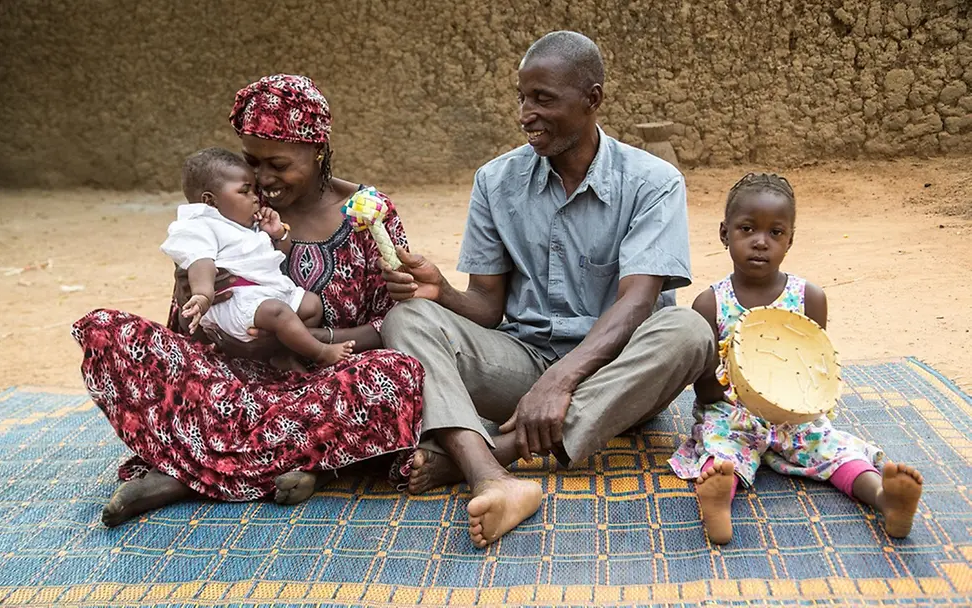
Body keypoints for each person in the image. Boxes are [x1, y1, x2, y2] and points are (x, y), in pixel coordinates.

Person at [377, 31, 716, 548]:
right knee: (405, 319)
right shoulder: (496, 181)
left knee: (689, 328)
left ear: (593, 100)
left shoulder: (653, 182)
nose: (524, 114)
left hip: (623, 376)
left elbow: (638, 301)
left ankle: (498, 450)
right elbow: (488, 307)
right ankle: (489, 478)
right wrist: (442, 292)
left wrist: (559, 382)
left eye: (543, 99)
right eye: (521, 97)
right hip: (525, 363)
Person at [72, 74, 424, 527]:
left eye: (277, 164)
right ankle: (301, 463)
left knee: (398, 375)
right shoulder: (226, 211)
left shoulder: (367, 212)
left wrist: (296, 341)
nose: (262, 180)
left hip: (325, 381)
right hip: (234, 383)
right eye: (251, 163)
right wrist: (190, 300)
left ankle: (189, 474)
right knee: (109, 331)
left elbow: (392, 325)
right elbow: (189, 332)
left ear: (318, 151)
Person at [668, 172, 923, 544]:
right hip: (732, 414)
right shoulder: (711, 304)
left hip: (795, 418)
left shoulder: (809, 299)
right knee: (719, 447)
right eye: (747, 229)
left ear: (790, 240)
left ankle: (884, 498)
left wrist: (792, 409)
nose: (760, 242)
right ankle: (719, 499)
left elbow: (813, 372)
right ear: (725, 234)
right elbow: (705, 391)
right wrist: (740, 382)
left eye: (775, 233)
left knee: (833, 448)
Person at [161, 147, 353, 366]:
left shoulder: (240, 222)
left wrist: (278, 234)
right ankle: (320, 353)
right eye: (246, 191)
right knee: (277, 312)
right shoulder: (199, 226)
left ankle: (283, 356)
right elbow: (200, 263)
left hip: (262, 295)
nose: (256, 198)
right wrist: (204, 296)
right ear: (210, 201)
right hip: (234, 302)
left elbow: (274, 259)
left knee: (311, 305)